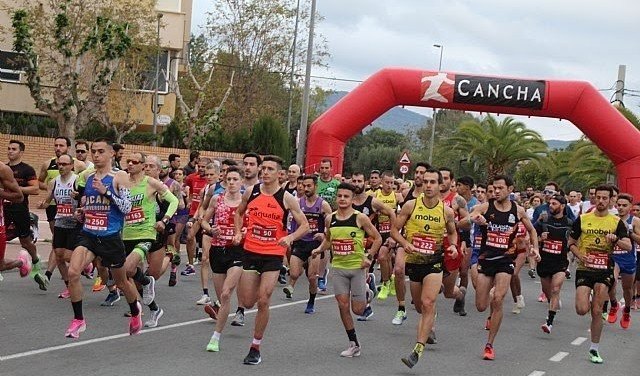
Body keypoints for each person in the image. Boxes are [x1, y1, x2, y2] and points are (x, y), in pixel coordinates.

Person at [233, 155, 309, 365]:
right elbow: (238, 213)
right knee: (248, 302)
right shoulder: (251, 192)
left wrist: (290, 237)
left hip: (273, 254)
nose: (265, 172)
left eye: (270, 169)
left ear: (279, 174)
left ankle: (255, 347)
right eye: (263, 168)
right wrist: (239, 233)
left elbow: (305, 225)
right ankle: (250, 319)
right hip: (250, 251)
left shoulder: (286, 198)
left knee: (264, 299)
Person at [65, 138, 140, 339]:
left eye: (100, 151)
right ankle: (79, 320)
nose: (96, 155)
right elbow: (90, 204)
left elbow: (127, 208)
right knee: (73, 272)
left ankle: (135, 312)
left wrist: (106, 192)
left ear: (111, 154)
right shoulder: (88, 177)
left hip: (110, 237)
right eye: (93, 151)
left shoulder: (120, 176)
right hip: (89, 233)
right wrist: (81, 212)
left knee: (122, 282)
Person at [461, 174, 540, 360]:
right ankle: (489, 307)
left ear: (510, 189)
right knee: (481, 305)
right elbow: (461, 223)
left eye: (500, 188)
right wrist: (474, 220)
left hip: (506, 260)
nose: (496, 191)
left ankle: (489, 345)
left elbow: (532, 230)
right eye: (494, 188)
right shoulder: (484, 207)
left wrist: (535, 248)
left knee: (498, 298)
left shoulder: (518, 210)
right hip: (486, 259)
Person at [392, 168, 459, 368]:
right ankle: (430, 318)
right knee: (420, 306)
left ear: (440, 186)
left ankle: (417, 349)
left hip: (434, 262)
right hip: (414, 262)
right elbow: (395, 230)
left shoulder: (446, 211)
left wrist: (454, 245)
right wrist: (404, 243)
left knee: (428, 302)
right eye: (426, 182)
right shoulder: (410, 206)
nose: (428, 186)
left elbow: (452, 232)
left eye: (433, 182)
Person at [311, 183, 382, 358]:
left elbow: (378, 238)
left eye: (346, 196)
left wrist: (370, 256)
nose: (342, 199)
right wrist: (320, 249)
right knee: (343, 306)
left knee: (358, 310)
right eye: (340, 196)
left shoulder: (360, 218)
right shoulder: (330, 219)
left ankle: (367, 291)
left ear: (352, 199)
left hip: (357, 268)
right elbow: (329, 240)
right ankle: (353, 343)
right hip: (339, 268)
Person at [567, 184, 631, 364]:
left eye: (605, 198)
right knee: (581, 310)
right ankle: (589, 299)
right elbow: (570, 242)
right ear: (594, 198)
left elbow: (628, 246)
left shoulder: (616, 222)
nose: (601, 201)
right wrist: (580, 255)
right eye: (598, 197)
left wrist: (616, 239)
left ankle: (594, 349)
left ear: (611, 200)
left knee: (596, 310)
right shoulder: (582, 219)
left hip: (604, 269)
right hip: (585, 268)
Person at [202, 166, 245, 352]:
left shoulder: (247, 202)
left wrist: (242, 233)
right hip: (218, 250)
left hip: (237, 251)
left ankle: (215, 337)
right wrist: (211, 229)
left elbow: (252, 226)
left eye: (236, 179)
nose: (232, 183)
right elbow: (203, 220)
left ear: (242, 181)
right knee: (222, 297)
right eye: (229, 179)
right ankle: (223, 313)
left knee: (227, 293)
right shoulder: (216, 199)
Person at [283, 175, 332, 314]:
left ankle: (311, 301)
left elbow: (330, 224)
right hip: (301, 242)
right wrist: (292, 236)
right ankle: (303, 267)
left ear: (316, 186)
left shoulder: (323, 205)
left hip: (315, 245)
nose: (305, 188)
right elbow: (293, 222)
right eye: (304, 186)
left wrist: (324, 234)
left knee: (312, 277)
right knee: (293, 273)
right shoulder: (298, 203)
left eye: (309, 186)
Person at [6, 139, 48, 290]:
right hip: (4, 210)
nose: (10, 151)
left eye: (14, 149)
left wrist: (15, 188)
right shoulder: (3, 168)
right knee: (2, 239)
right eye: (9, 148)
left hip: (19, 209)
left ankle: (35, 261)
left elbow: (35, 189)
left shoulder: (27, 170)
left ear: (21, 152)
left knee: (25, 241)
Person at [39, 153, 82, 298]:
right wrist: (42, 205)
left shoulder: (77, 180)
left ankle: (85, 265)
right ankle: (69, 286)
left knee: (68, 256)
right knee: (58, 256)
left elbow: (85, 199)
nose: (61, 167)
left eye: (65, 164)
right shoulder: (54, 182)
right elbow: (49, 200)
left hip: (75, 223)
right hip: (60, 221)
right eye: (59, 164)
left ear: (71, 166)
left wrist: (78, 197)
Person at [535, 194, 572, 333]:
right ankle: (553, 302)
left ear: (562, 206)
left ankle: (549, 322)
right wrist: (539, 239)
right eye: (550, 203)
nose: (551, 206)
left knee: (556, 289)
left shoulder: (569, 222)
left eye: (554, 204)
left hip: (560, 262)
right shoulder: (543, 220)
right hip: (544, 261)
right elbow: (531, 236)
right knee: (548, 291)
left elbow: (575, 239)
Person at [603, 193, 639, 328]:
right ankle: (613, 305)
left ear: (630, 206)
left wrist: (630, 232)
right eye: (619, 205)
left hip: (629, 258)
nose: (621, 208)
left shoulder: (635, 221)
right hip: (614, 257)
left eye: (624, 205)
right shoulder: (612, 219)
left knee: (627, 288)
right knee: (610, 282)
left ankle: (627, 310)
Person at [0, 160, 30, 274]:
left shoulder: (3, 169)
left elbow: (19, 196)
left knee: (1, 265)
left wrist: (1, 193)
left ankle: (21, 262)